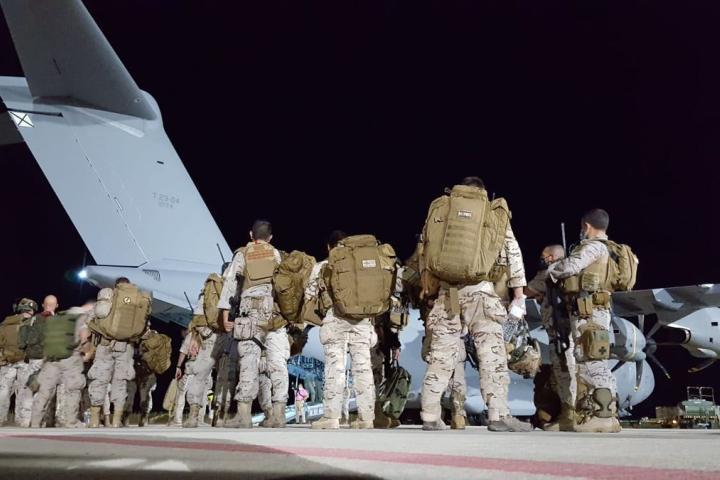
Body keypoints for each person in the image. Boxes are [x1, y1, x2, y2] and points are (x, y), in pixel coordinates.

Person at [419, 176, 532, 432]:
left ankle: (430, 414)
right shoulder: (491, 212)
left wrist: (429, 290)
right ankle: (498, 415)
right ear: (482, 192)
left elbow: (425, 251)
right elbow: (513, 253)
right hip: (481, 294)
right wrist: (518, 295)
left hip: (446, 295)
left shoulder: (442, 211)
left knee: (441, 356)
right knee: (492, 356)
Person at [310, 231, 396, 430]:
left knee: (335, 368)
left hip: (336, 318)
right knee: (363, 368)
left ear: (329, 247)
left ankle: (331, 417)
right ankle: (366, 417)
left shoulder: (323, 266)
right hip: (362, 321)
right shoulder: (364, 265)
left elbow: (310, 294)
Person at [547, 209, 621, 433]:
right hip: (592, 310)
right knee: (588, 360)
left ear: (586, 226)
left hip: (590, 313)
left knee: (592, 361)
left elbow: (570, 267)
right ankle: (599, 414)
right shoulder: (609, 249)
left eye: (582, 227)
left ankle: (605, 415)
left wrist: (552, 268)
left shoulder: (593, 247)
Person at [218, 220, 283, 428]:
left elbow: (230, 284)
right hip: (272, 312)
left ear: (250, 234)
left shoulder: (243, 254)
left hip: (250, 310)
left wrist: (225, 315)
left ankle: (244, 415)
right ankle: (278, 415)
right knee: (275, 361)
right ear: (270, 237)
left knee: (248, 359)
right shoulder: (275, 254)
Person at [526, 245, 577, 431]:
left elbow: (527, 291)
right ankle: (569, 412)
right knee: (568, 373)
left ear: (552, 257)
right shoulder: (572, 271)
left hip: (559, 335)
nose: (542, 259)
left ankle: (569, 414)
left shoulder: (550, 272)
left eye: (544, 255)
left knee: (563, 374)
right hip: (570, 333)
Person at [87, 277, 150, 428]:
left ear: (116, 286)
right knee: (120, 383)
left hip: (105, 345)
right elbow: (145, 329)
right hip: (126, 347)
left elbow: (91, 319)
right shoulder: (137, 298)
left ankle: (95, 420)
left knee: (99, 380)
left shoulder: (109, 295)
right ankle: (116, 420)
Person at [30, 302, 93, 428]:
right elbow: (84, 340)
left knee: (44, 391)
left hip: (52, 359)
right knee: (73, 390)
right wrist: (87, 353)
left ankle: (35, 422)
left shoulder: (57, 319)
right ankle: (71, 421)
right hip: (71, 359)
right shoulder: (80, 319)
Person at [0, 298, 39, 426]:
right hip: (24, 363)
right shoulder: (32, 324)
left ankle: (2, 420)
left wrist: (2, 359)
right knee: (25, 393)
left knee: (3, 393)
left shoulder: (6, 323)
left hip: (8, 363)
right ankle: (23, 422)